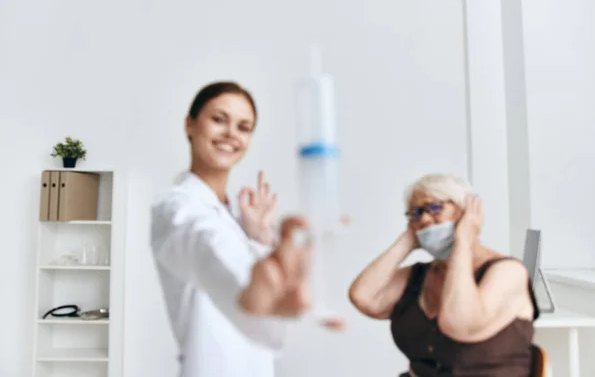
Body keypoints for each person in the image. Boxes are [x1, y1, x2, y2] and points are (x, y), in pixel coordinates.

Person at [150, 81, 314, 377]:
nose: (231, 134)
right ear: (190, 125)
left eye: (244, 127)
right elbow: (206, 244)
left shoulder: (240, 217)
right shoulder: (175, 207)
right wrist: (249, 286)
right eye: (218, 120)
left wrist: (259, 237)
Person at [348, 173, 540, 377]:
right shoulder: (421, 274)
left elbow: (460, 325)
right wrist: (408, 240)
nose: (424, 218)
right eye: (416, 212)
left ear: (464, 212)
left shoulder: (508, 272)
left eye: (434, 208)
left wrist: (464, 241)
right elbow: (364, 297)